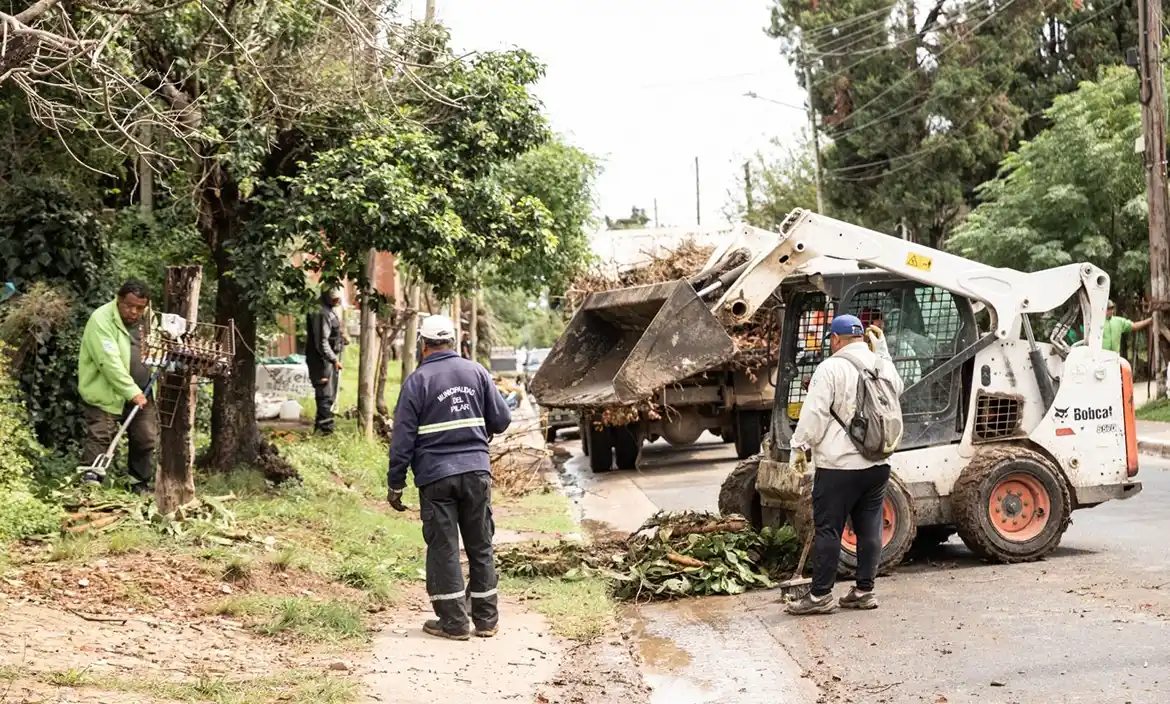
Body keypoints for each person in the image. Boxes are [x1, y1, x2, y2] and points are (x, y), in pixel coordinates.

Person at [386, 314, 512, 640]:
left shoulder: (417, 382)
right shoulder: (477, 372)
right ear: (453, 341)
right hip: (476, 473)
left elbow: (402, 440)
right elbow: (501, 420)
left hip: (435, 477)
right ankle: (487, 621)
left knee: (444, 548)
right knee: (480, 546)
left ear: (423, 345)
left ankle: (454, 624)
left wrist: (395, 483)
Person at [785, 314, 904, 615]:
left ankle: (820, 596)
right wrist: (884, 352)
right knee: (869, 527)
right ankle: (864, 591)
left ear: (835, 340)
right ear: (864, 338)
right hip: (879, 463)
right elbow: (897, 390)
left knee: (828, 529)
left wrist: (799, 446)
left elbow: (814, 414)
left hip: (838, 467)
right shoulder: (882, 364)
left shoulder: (831, 368)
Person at [77, 280, 158, 490]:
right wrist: (131, 392)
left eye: (140, 308)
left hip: (143, 390)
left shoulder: (150, 319)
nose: (134, 312)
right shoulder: (101, 319)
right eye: (129, 305)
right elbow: (108, 362)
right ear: (119, 300)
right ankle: (89, 486)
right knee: (100, 436)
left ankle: (138, 484)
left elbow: (158, 347)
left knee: (146, 439)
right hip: (107, 392)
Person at [306, 289, 344, 434]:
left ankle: (319, 428)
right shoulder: (321, 312)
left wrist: (340, 339)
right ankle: (326, 430)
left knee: (328, 394)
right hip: (321, 360)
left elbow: (330, 334)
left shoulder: (328, 309)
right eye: (335, 299)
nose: (337, 302)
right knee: (325, 395)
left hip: (326, 358)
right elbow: (321, 342)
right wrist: (334, 359)